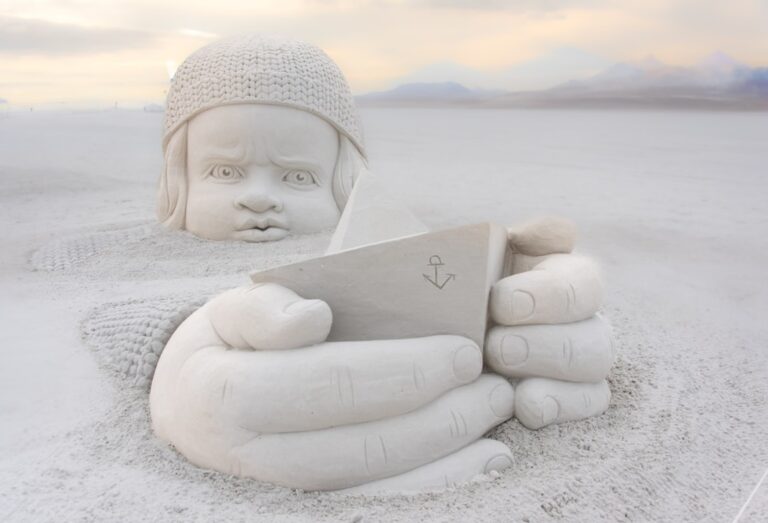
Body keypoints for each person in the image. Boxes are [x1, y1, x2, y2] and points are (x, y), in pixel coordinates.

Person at [149, 35, 615, 493]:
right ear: (177, 178)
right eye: (225, 172)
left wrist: (515, 302)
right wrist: (173, 364)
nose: (258, 198)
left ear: (344, 185)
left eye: (298, 176)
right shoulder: (120, 263)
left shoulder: (386, 243)